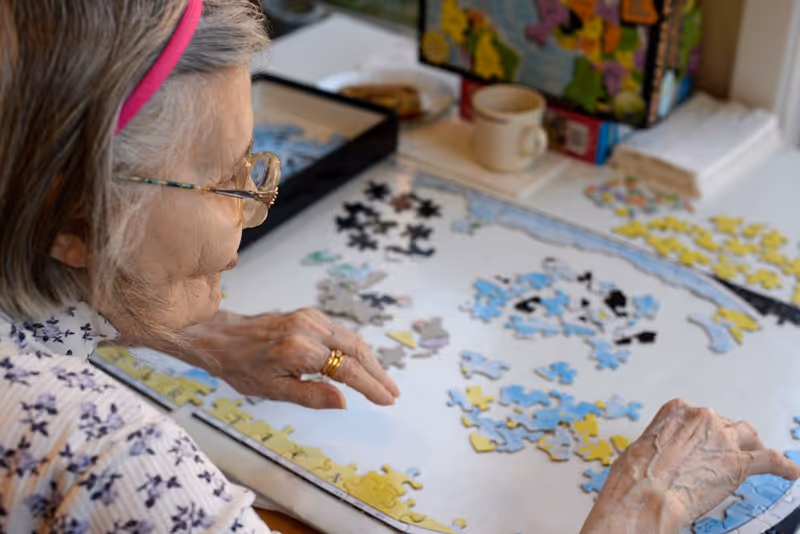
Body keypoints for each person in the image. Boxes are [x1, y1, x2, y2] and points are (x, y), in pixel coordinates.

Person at [0, 1, 797, 533]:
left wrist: (178, 326)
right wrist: (640, 509)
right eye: (226, 182)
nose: (257, 203)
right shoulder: (119, 465)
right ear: (75, 222)